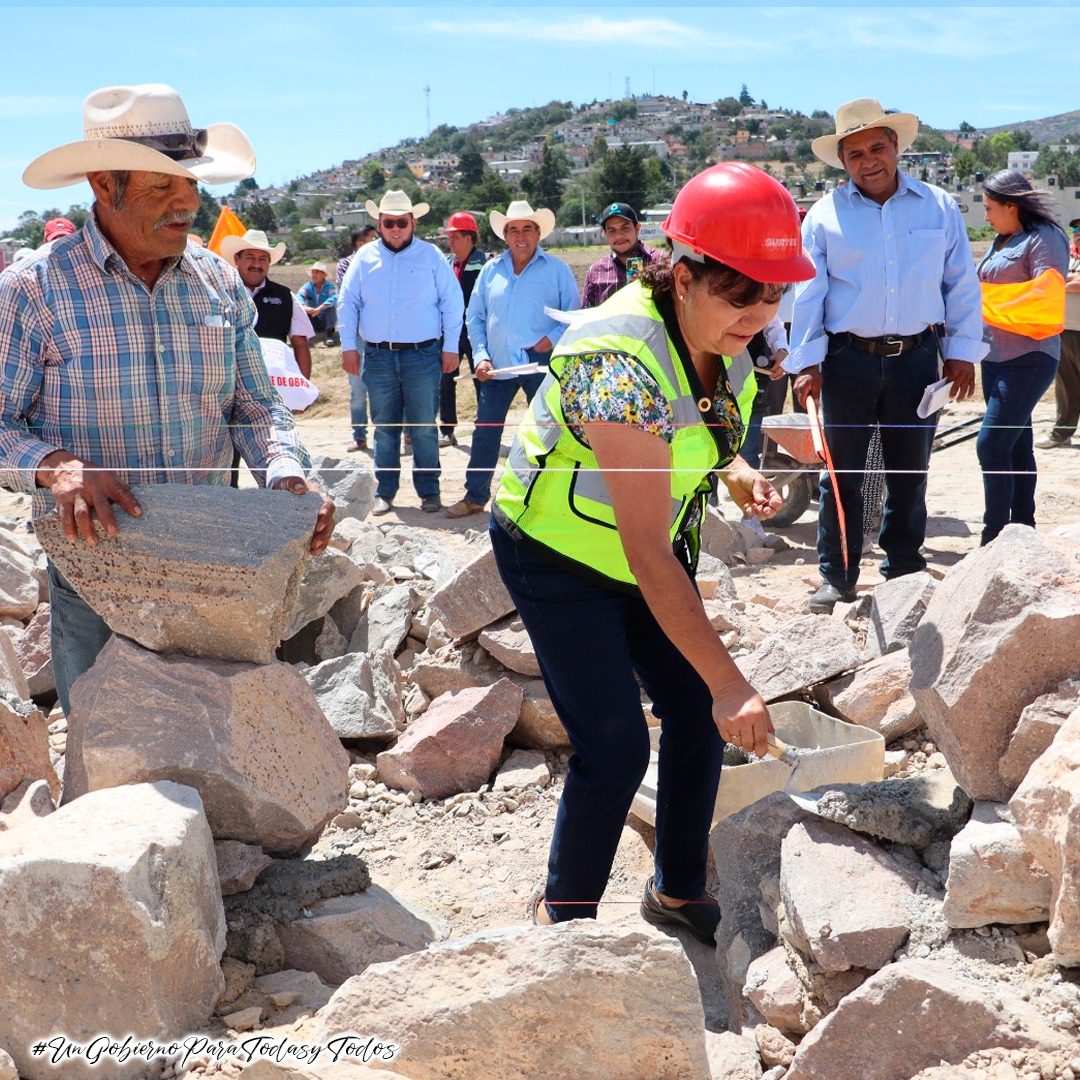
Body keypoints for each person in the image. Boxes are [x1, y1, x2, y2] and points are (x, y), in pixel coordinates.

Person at [490, 163, 814, 938]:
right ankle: (564, 916)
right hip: (557, 553)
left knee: (697, 714)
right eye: (742, 292)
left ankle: (676, 889)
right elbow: (644, 549)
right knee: (614, 744)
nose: (759, 312)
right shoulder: (617, 359)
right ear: (684, 273)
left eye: (774, 293)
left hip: (642, 550)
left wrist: (731, 469)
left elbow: (696, 423)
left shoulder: (725, 333)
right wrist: (734, 683)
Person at [0, 82, 334, 714]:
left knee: (216, 743)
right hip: (95, 573)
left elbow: (257, 410)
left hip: (216, 564)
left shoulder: (217, 280)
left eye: (192, 186)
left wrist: (288, 475)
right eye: (162, 187)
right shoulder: (33, 290)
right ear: (104, 184)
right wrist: (54, 466)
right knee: (110, 756)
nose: (187, 205)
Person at [786, 98, 987, 613]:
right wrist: (805, 364)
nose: (868, 160)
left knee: (909, 472)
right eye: (855, 153)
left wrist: (961, 353)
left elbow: (960, 282)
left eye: (877, 147)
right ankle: (838, 574)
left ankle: (903, 569)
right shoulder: (825, 216)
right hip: (846, 361)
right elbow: (809, 293)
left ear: (896, 147)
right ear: (843, 161)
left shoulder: (937, 206)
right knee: (842, 475)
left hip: (917, 359)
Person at [446, 201, 579, 518]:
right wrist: (480, 356)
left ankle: (549, 499)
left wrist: (551, 340)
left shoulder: (557, 270)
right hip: (497, 367)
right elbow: (475, 318)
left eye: (527, 229)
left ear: (538, 233)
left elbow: (573, 316)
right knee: (485, 431)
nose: (521, 236)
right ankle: (475, 496)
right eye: (514, 230)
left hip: (540, 365)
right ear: (505, 236)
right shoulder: (491, 271)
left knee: (547, 431)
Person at [338, 190, 463, 514]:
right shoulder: (364, 258)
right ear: (379, 223)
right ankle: (386, 491)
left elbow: (452, 303)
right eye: (389, 222)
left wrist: (451, 347)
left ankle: (429, 491)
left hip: (423, 355)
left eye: (401, 222)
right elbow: (348, 303)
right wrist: (349, 347)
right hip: (377, 356)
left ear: (413, 222)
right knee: (384, 427)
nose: (395, 228)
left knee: (423, 426)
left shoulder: (431, 256)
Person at [975, 170, 1069, 545]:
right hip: (994, 356)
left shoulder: (1045, 239)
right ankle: (1022, 531)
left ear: (1011, 206)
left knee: (991, 444)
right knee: (1015, 444)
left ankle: (993, 538)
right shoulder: (1001, 240)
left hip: (1030, 355)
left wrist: (986, 302)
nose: (986, 216)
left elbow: (1047, 293)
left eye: (989, 208)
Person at [221, 229, 314, 378]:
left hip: (274, 382)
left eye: (263, 259)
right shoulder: (220, 294)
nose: (256, 264)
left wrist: (304, 387)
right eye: (250, 257)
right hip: (229, 380)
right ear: (236, 259)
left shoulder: (285, 296)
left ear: (269, 263)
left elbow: (300, 343)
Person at [440, 211, 488, 448]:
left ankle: (484, 426)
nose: (451, 241)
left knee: (481, 378)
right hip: (451, 332)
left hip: (477, 331)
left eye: (455, 236)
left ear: (469, 237)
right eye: (450, 237)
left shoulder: (485, 262)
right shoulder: (447, 264)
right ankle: (447, 429)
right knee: (445, 380)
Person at [1035, 216, 1080, 449]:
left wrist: (1067, 281)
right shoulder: (1067, 257)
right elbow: (1051, 280)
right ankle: (1061, 433)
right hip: (1062, 329)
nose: (1078, 231)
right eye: (1075, 227)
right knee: (1065, 386)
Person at [337, 226, 378, 452]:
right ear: (356, 243)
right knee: (357, 389)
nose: (369, 244)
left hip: (381, 334)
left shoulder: (385, 263)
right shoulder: (346, 265)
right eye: (365, 241)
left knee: (391, 387)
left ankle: (400, 433)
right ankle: (359, 436)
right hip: (355, 336)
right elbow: (350, 298)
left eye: (372, 240)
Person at [581, 202, 664, 309]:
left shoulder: (661, 262)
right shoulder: (596, 272)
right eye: (612, 231)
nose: (619, 236)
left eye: (625, 228)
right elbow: (587, 316)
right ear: (605, 234)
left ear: (637, 228)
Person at [298, 262, 337, 345]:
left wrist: (320, 308)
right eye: (313, 272)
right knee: (301, 309)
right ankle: (305, 334)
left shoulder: (330, 287)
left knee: (330, 308)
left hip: (325, 319)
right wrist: (305, 306)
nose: (314, 275)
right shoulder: (307, 286)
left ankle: (329, 335)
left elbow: (334, 298)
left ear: (324, 275)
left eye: (317, 272)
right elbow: (299, 296)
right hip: (312, 317)